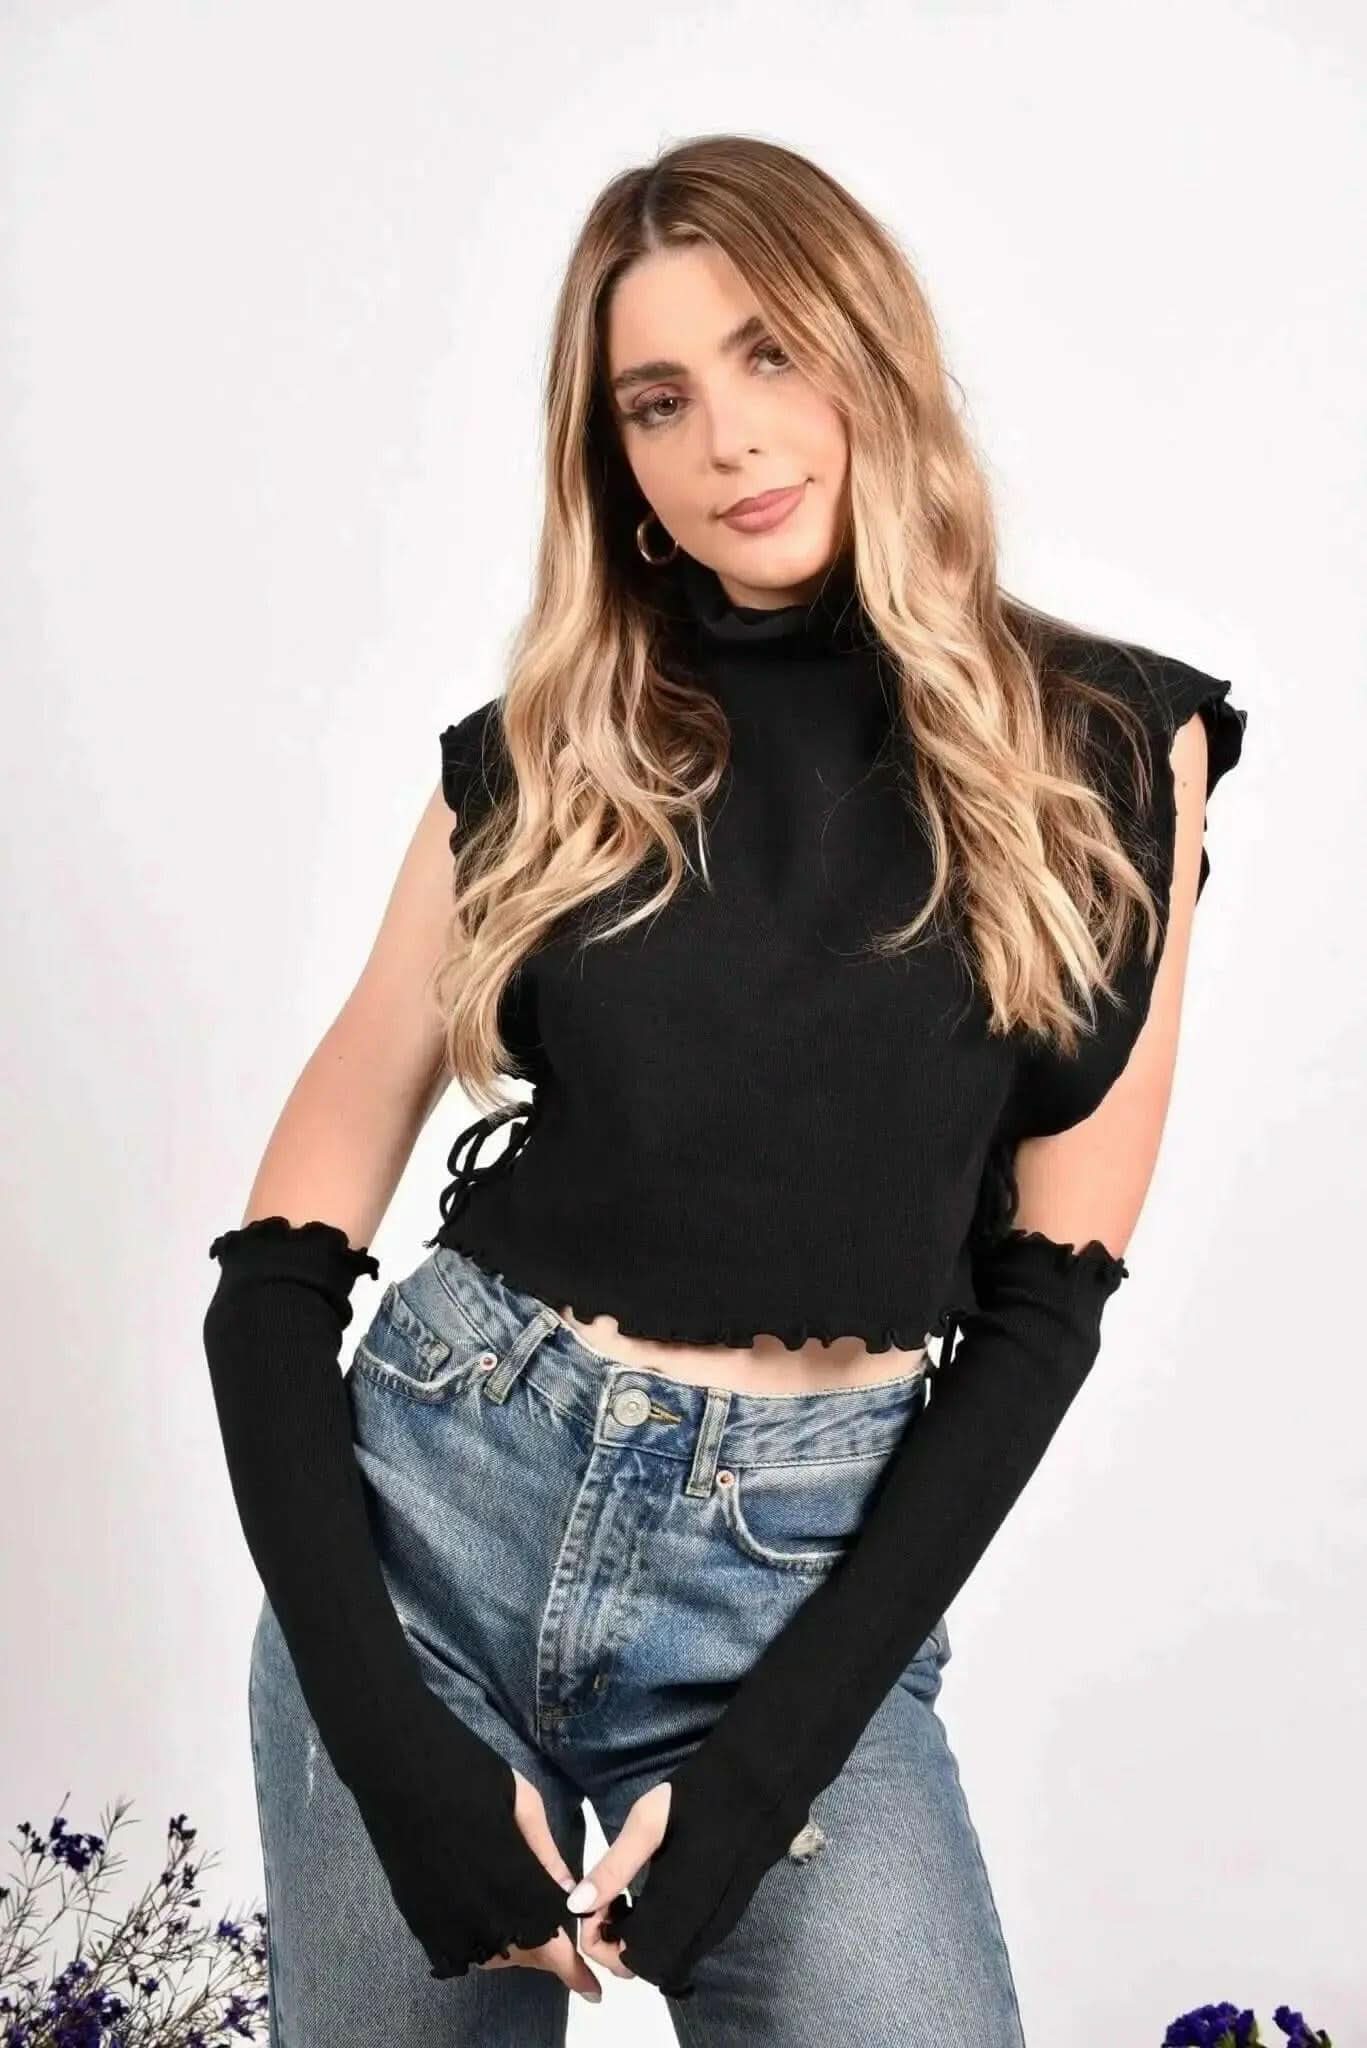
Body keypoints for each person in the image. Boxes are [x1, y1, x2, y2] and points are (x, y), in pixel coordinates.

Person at [201, 134, 1247, 2046]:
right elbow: (273, 1268)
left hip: (800, 1585)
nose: (728, 440)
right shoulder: (548, 752)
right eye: (658, 401)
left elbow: (1045, 1311)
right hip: (438, 1525)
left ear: (873, 353)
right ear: (615, 460)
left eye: (771, 354)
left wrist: (762, 1779)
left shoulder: (1110, 744)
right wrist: (387, 1746)